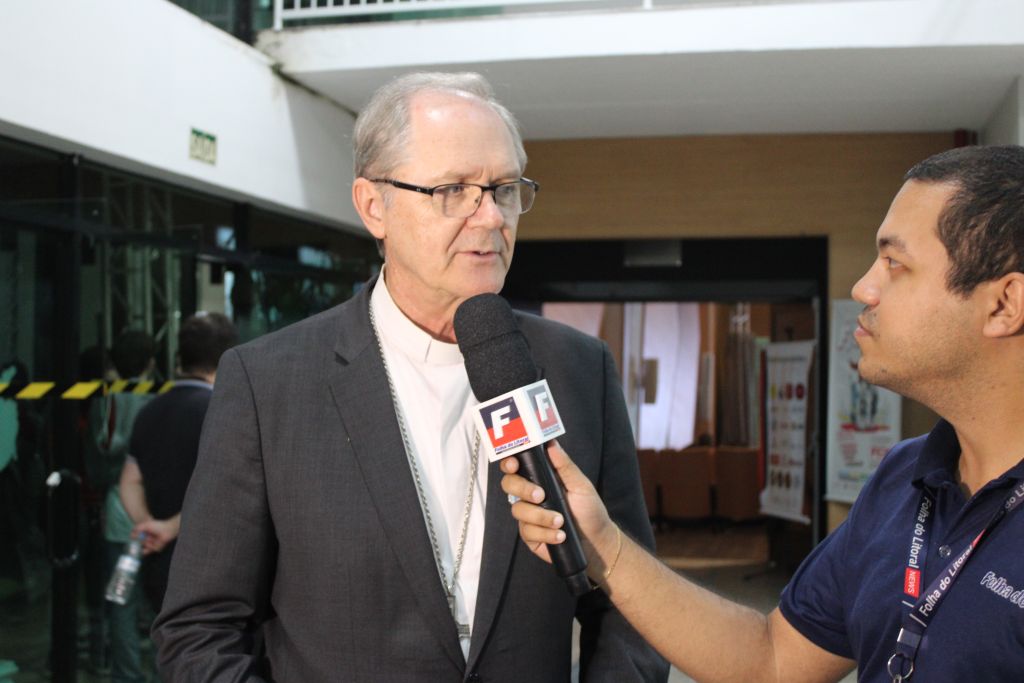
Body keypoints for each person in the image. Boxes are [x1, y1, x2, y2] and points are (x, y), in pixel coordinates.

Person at [153, 72, 667, 682]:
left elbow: (632, 609)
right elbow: (199, 631)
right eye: (453, 190)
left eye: (503, 189)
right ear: (374, 207)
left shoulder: (579, 369)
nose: (490, 217)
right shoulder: (268, 384)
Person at [502, 144, 1024, 683]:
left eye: (895, 263)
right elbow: (772, 659)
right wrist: (604, 547)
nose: (863, 287)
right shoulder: (904, 478)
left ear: (1004, 305)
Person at [119, 312, 237, 615]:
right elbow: (225, 492)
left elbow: (129, 480)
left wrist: (148, 526)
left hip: (158, 563)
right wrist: (170, 528)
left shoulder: (149, 412)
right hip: (213, 566)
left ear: (179, 358)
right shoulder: (224, 412)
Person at [92, 330, 157, 683]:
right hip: (160, 517)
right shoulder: (162, 396)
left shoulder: (111, 396)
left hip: (121, 520)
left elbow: (105, 442)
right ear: (150, 361)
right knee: (162, 604)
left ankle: (127, 676)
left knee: (121, 601)